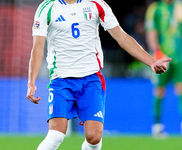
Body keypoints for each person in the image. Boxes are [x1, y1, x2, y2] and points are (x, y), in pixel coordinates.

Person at [27, 0, 171, 149]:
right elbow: (37, 48)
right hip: (61, 79)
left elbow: (122, 37)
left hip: (91, 79)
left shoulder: (96, 4)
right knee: (56, 135)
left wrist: (151, 62)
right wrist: (31, 81)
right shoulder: (47, 8)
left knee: (94, 137)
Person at [145, 0, 182, 138]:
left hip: (180, 56)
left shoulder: (179, 6)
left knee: (181, 89)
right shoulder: (155, 9)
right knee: (159, 90)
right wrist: (156, 51)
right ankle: (157, 126)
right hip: (161, 56)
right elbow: (151, 32)